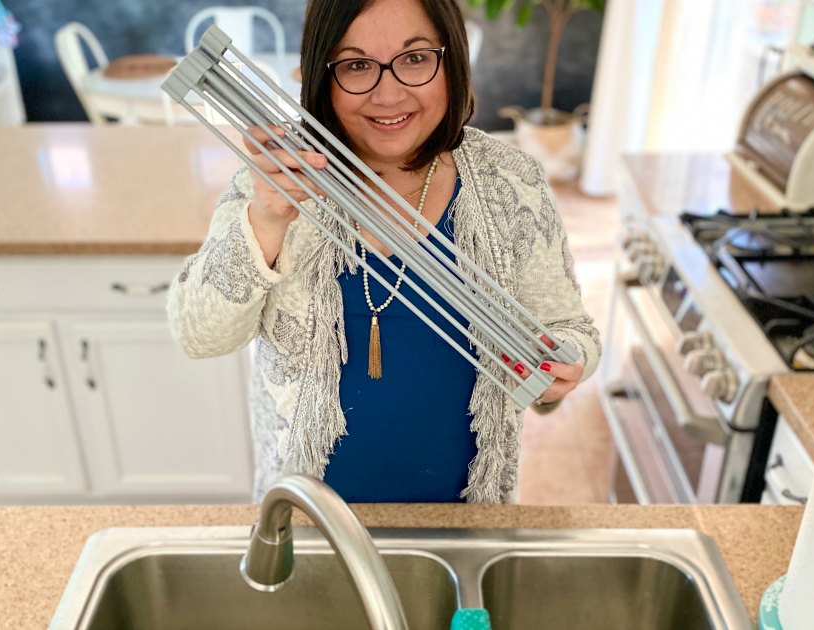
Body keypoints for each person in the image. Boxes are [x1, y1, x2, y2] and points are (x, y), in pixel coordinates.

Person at [168, 0, 600, 503]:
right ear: (322, 76)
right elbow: (198, 335)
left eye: (415, 59)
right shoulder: (273, 185)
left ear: (452, 60)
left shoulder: (510, 181)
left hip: (466, 518)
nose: (388, 93)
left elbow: (572, 330)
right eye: (356, 66)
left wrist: (564, 365)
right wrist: (265, 221)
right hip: (314, 520)